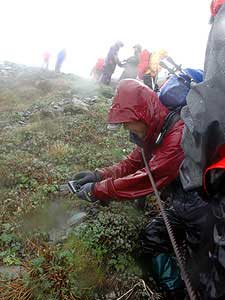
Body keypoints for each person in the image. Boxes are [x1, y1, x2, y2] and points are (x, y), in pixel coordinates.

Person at [71, 79, 186, 298]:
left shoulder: (177, 135)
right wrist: (98, 174)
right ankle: (175, 290)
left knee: (209, 278)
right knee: (152, 236)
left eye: (127, 122)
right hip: (184, 204)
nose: (126, 128)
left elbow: (146, 179)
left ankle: (182, 291)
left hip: (206, 207)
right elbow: (132, 163)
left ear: (143, 114)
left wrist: (98, 190)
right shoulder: (155, 131)